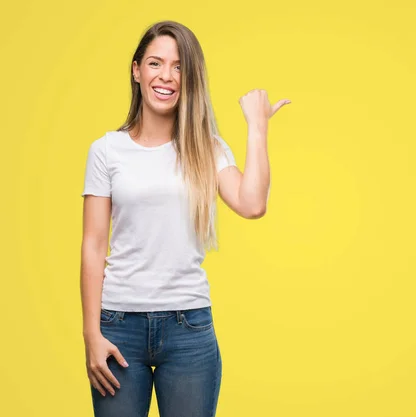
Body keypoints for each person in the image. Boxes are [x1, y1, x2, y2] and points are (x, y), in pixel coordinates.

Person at [80, 20, 290, 417]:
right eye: (156, 63)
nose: (167, 76)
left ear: (189, 77)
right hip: (119, 327)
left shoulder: (206, 148)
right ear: (136, 70)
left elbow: (252, 204)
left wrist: (257, 128)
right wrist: (92, 334)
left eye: (179, 67)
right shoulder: (107, 150)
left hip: (188, 329)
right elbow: (93, 246)